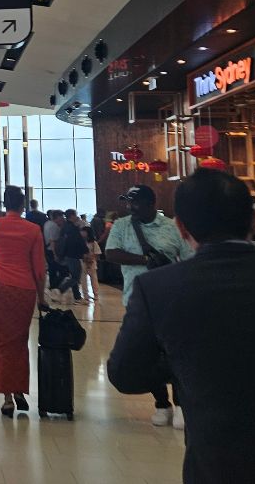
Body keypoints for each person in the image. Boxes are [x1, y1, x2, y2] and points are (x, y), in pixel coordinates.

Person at [108, 169, 255, 483]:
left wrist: (182, 362)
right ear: (254, 220)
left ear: (181, 227)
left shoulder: (157, 289)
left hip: (214, 459)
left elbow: (125, 374)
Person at [105, 183, 195, 427]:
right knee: (147, 354)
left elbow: (188, 257)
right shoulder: (122, 226)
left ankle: (180, 404)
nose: (130, 207)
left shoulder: (171, 227)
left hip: (170, 298)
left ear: (151, 204)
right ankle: (161, 403)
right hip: (136, 300)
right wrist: (145, 259)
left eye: (135, 202)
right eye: (128, 202)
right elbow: (111, 253)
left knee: (173, 352)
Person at [0, 185, 47, 417]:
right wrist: (41, 298)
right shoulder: (33, 229)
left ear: (5, 204)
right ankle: (19, 389)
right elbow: (39, 268)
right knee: (19, 340)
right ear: (23, 205)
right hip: (24, 288)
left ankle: (7, 397)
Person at [57, 209, 88, 304]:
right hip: (74, 255)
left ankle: (77, 297)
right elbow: (78, 241)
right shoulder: (73, 228)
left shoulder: (64, 227)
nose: (77, 217)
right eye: (75, 215)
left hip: (67, 254)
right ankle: (59, 290)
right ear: (72, 216)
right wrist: (85, 251)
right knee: (76, 277)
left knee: (73, 275)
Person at [80, 226, 101, 301]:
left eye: (84, 231)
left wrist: (91, 258)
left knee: (94, 278)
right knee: (83, 279)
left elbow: (97, 253)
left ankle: (96, 294)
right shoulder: (80, 241)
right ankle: (85, 295)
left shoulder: (93, 242)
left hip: (92, 262)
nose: (82, 233)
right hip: (82, 261)